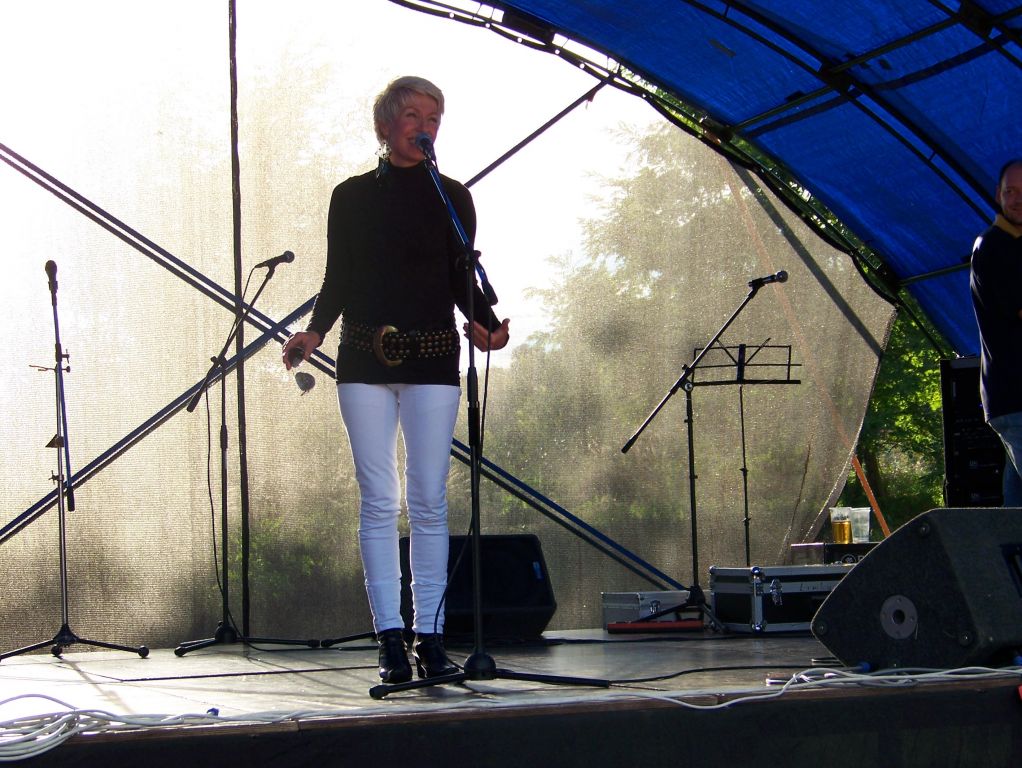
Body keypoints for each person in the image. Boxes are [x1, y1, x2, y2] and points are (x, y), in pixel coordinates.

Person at [283, 75, 510, 683]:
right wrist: (315, 332)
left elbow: (461, 277)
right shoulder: (352, 196)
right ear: (385, 126)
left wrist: (489, 326)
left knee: (429, 499)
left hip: (434, 359)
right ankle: (389, 637)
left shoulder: (453, 197)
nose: (425, 127)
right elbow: (339, 276)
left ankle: (430, 637)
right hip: (364, 359)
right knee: (379, 498)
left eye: (434, 118)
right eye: (413, 116)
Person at [970, 158, 1022, 506]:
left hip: (1011, 401)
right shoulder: (994, 246)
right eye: (1011, 191)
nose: (1017, 199)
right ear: (998, 195)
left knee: (1015, 515)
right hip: (1015, 397)